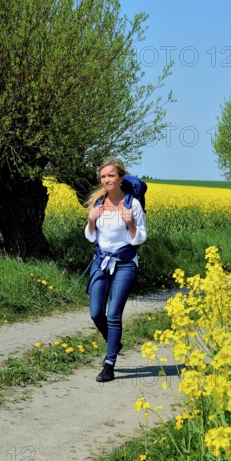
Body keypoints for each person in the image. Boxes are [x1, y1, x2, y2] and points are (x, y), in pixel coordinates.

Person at [85, 158, 147, 383]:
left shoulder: (133, 205)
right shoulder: (98, 203)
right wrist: (91, 221)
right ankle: (114, 341)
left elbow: (141, 237)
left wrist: (130, 223)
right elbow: (91, 236)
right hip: (100, 262)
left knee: (113, 315)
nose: (106, 180)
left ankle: (109, 364)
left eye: (111, 175)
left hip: (125, 264)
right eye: (103, 176)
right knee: (95, 313)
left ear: (120, 178)